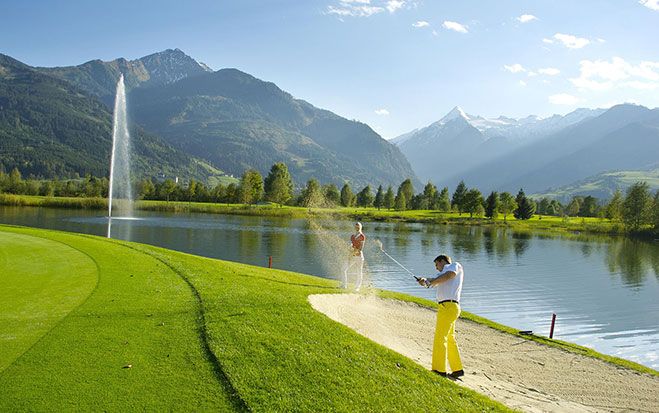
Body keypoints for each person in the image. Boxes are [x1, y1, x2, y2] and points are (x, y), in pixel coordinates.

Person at [417, 254, 464, 379]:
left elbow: (449, 276)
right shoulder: (441, 276)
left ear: (442, 261)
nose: (437, 268)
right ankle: (457, 369)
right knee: (449, 338)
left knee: (440, 338)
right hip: (448, 308)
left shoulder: (454, 266)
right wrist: (424, 281)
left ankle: (439, 370)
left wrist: (431, 281)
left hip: (448, 307)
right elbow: (435, 280)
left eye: (437, 265)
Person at [343, 222, 366, 291]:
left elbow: (361, 248)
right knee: (343, 269)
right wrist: (350, 252)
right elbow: (351, 246)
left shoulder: (362, 236)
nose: (357, 227)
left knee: (359, 272)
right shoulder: (352, 236)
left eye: (358, 226)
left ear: (360, 227)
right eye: (356, 226)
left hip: (359, 257)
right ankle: (344, 285)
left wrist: (354, 251)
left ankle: (357, 287)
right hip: (352, 256)